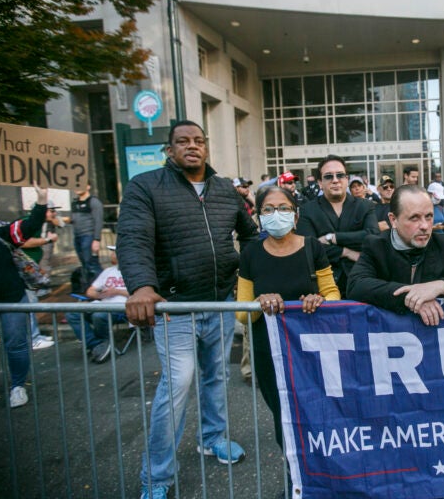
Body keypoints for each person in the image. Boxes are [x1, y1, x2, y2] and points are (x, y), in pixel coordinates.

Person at [116, 120, 258, 499]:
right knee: (177, 385)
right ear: (170, 149)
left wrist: (256, 266)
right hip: (175, 308)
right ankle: (157, 476)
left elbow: (250, 235)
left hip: (220, 302)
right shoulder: (145, 187)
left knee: (215, 377)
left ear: (206, 148)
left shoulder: (226, 189)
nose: (192, 146)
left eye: (198, 140)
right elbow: (133, 238)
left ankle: (212, 438)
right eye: (183, 141)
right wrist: (142, 286)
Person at [236, 186, 340, 449]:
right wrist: (258, 304)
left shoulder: (312, 247)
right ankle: (295, 480)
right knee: (284, 417)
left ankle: (324, 479)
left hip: (311, 350)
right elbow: (241, 312)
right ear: (259, 216)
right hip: (269, 352)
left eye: (283, 208)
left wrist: (321, 300)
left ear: (295, 215)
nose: (276, 214)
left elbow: (332, 294)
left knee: (317, 414)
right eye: (268, 209)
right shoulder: (250, 254)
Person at [347, 185, 444, 326]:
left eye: (429, 216)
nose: (425, 226)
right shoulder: (376, 245)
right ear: (393, 220)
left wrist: (441, 286)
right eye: (414, 218)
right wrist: (413, 297)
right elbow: (356, 286)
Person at [0, 184, 48, 408]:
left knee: (15, 344)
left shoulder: (0, 232)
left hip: (11, 298)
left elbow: (30, 225)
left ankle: (17, 386)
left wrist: (42, 200)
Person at [297, 155, 379, 295]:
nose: (335, 180)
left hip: (361, 279)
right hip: (324, 283)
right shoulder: (308, 210)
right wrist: (346, 252)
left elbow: (372, 237)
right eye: (329, 176)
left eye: (340, 175)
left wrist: (333, 237)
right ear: (320, 182)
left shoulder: (365, 206)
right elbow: (308, 247)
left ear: (347, 179)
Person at [66, 245, 128, 364]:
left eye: (114, 252)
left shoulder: (133, 272)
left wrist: (117, 291)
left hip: (122, 308)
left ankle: (102, 343)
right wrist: (100, 295)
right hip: (102, 304)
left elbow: (140, 294)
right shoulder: (108, 271)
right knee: (72, 314)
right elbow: (90, 291)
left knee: (98, 315)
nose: (111, 255)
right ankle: (96, 344)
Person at [20, 200, 63, 349]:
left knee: (31, 302)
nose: (54, 214)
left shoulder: (37, 223)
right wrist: (47, 239)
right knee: (28, 303)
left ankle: (34, 335)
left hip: (29, 269)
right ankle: (32, 338)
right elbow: (23, 242)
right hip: (22, 272)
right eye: (51, 211)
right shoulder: (28, 223)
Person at [69, 183, 104, 284]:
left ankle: (101, 286)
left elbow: (98, 221)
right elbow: (73, 219)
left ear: (88, 186)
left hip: (89, 236)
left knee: (92, 264)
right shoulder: (74, 203)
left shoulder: (94, 201)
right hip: (77, 237)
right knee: (84, 264)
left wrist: (96, 239)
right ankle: (90, 288)